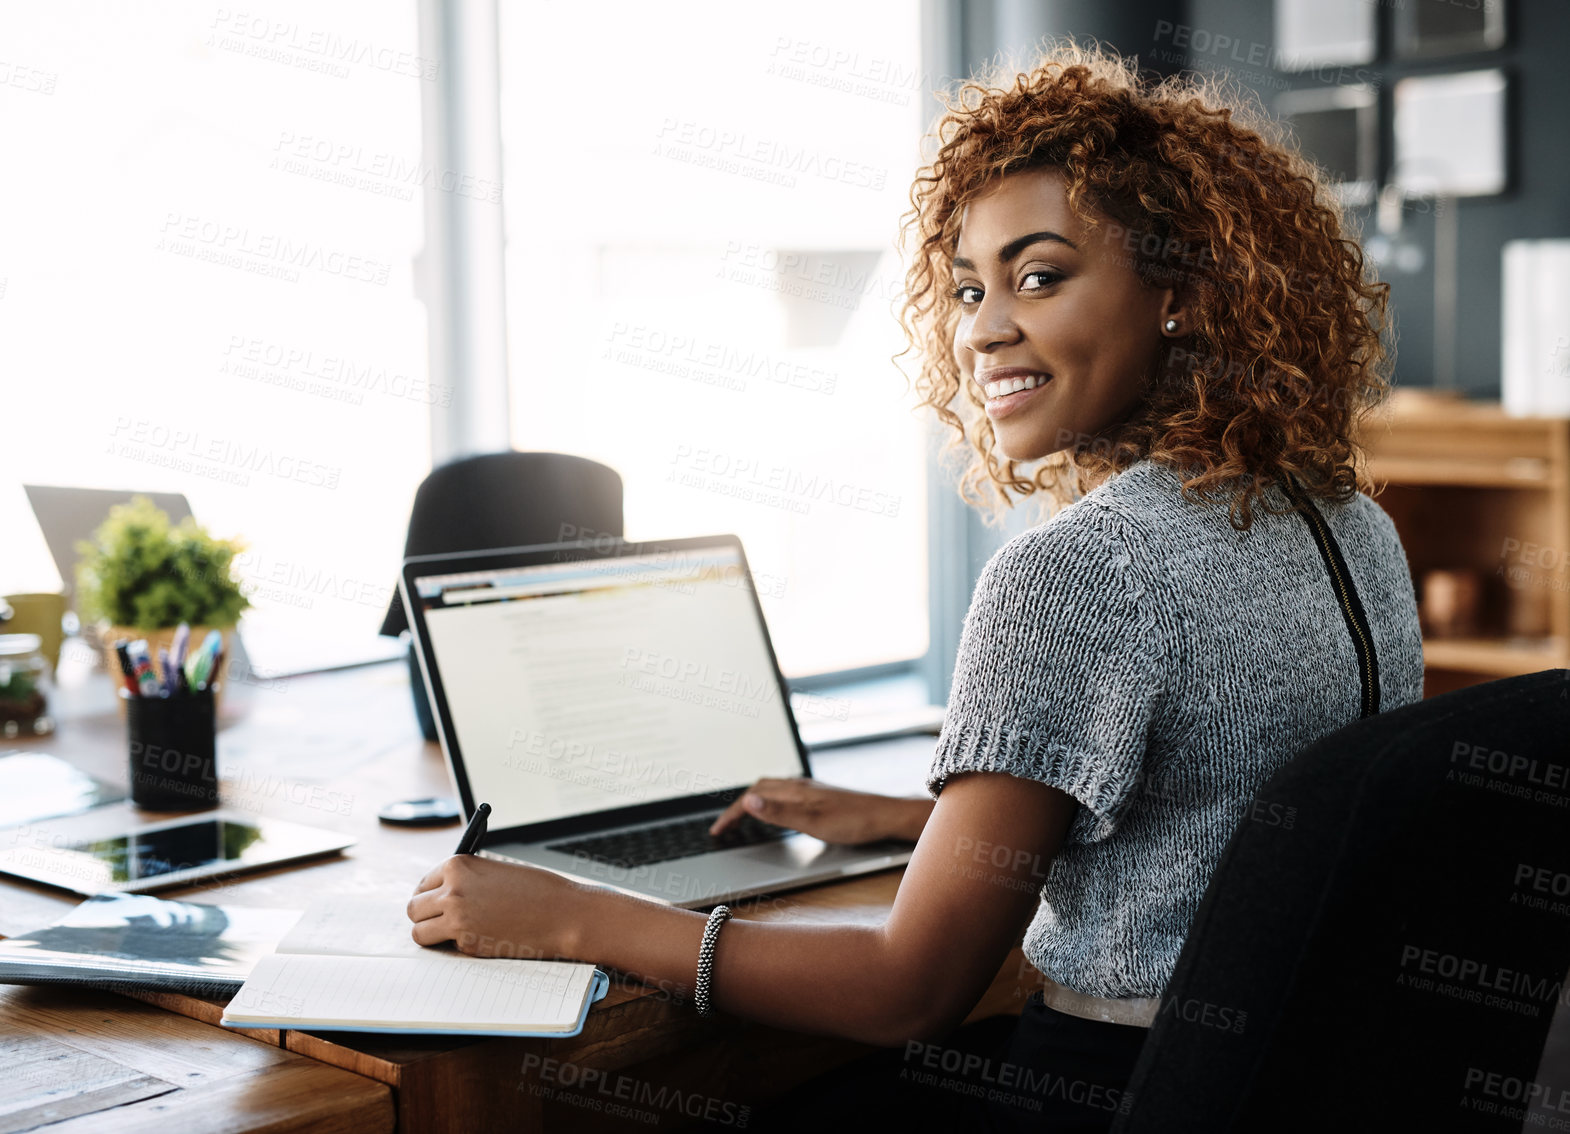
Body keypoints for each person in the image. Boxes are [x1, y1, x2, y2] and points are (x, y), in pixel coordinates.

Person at [406, 43, 1425, 1132]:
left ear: (1176, 291)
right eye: (967, 287)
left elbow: (908, 988)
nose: (985, 328)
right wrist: (921, 823)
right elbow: (1226, 814)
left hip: (1103, 1090)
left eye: (1040, 276)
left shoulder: (1082, 569)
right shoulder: (1342, 520)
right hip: (1291, 1084)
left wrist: (572, 916)